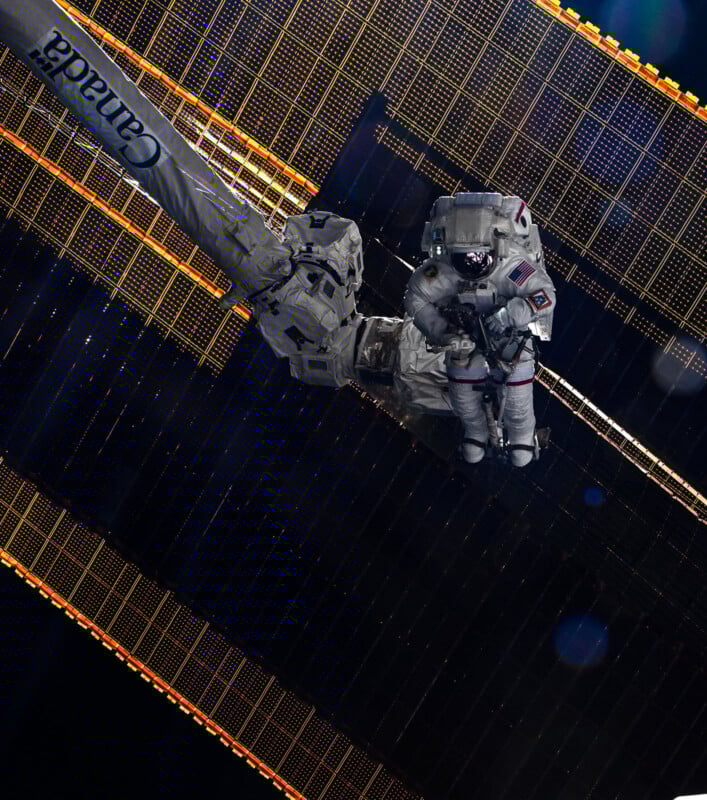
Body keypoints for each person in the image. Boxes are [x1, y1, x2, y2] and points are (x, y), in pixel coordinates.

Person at [403, 192, 556, 467]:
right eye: (465, 259)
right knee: (464, 395)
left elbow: (544, 296)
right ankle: (475, 432)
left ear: (495, 248)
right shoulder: (445, 268)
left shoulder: (513, 266)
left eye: (478, 257)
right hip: (464, 340)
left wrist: (509, 315)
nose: (472, 264)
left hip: (511, 340)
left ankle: (522, 437)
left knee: (517, 404)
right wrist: (443, 332)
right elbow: (415, 298)